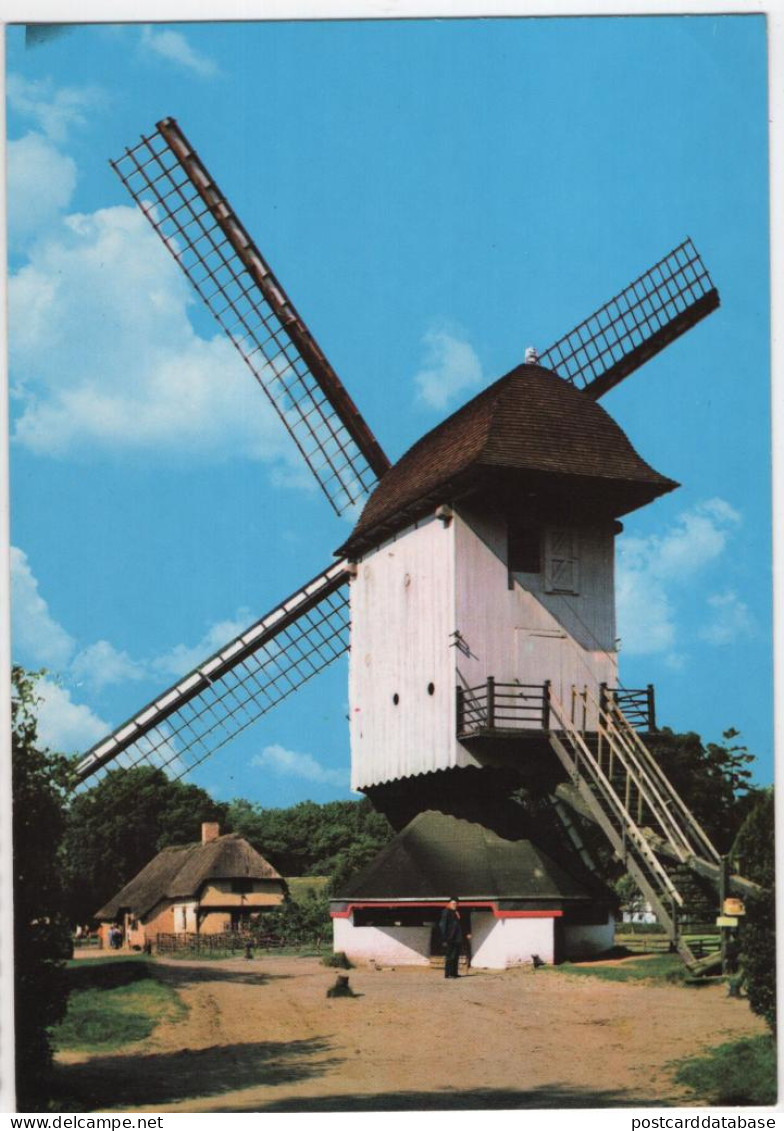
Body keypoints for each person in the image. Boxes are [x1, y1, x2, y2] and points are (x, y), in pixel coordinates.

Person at [439, 897, 469, 979]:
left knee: (456, 956)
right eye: (453, 903)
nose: (455, 905)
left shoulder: (456, 912)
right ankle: (447, 974)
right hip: (450, 937)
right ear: (449, 904)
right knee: (450, 956)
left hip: (457, 937)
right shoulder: (446, 912)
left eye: (456, 904)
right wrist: (444, 938)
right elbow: (443, 925)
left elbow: (460, 925)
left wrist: (465, 933)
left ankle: (454, 973)